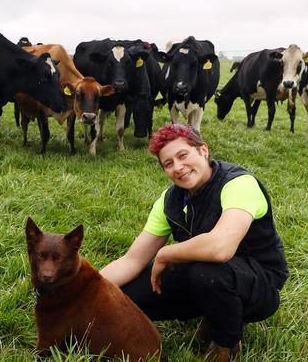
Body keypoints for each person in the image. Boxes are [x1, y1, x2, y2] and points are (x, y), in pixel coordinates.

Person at [101, 124, 288, 362]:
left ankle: (225, 343)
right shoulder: (170, 200)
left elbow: (221, 248)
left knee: (207, 273)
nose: (178, 167)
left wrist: (166, 253)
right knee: (124, 295)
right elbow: (132, 259)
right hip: (202, 276)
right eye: (168, 164)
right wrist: (83, 290)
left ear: (203, 151)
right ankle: (210, 311)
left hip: (258, 284)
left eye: (183, 155)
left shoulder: (239, 184)